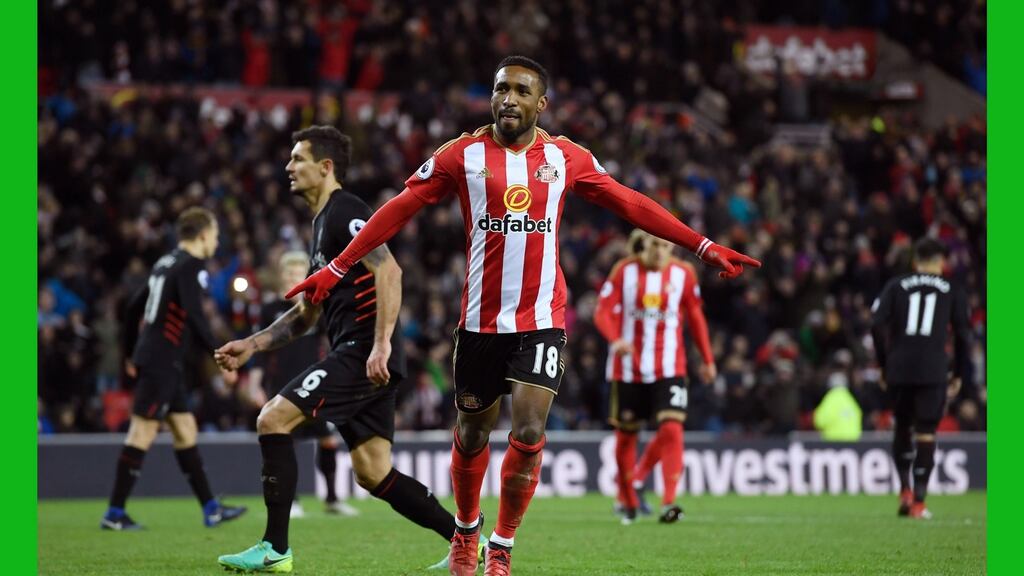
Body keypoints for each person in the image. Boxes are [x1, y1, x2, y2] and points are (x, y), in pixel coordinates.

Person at [286, 56, 760, 576]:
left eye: (520, 90)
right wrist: (338, 266)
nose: (508, 98)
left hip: (541, 320)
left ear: (541, 104)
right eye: (501, 88)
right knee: (472, 434)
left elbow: (630, 203)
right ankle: (466, 529)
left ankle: (502, 545)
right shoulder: (461, 155)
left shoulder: (566, 157)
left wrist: (701, 245)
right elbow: (401, 207)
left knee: (530, 432)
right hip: (479, 323)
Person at [215, 126, 476, 573]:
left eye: (298, 159)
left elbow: (389, 271)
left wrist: (380, 344)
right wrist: (251, 345)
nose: (288, 167)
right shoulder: (321, 227)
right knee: (373, 471)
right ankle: (468, 541)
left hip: (363, 352)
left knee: (272, 418)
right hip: (363, 353)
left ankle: (275, 548)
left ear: (325, 167)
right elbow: (305, 316)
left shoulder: (346, 210)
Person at [101, 207, 246, 530]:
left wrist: (129, 354)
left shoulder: (165, 263)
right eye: (215, 236)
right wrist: (221, 356)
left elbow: (133, 308)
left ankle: (211, 508)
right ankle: (114, 513)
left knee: (185, 430)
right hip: (162, 360)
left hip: (162, 360)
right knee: (142, 432)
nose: (216, 243)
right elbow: (195, 314)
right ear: (203, 235)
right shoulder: (191, 265)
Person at [594, 230, 716, 525]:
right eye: (655, 245)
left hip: (670, 367)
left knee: (672, 428)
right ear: (643, 245)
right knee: (626, 438)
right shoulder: (624, 271)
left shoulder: (684, 274)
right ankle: (629, 499)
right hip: (628, 368)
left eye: (665, 245)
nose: (660, 251)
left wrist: (708, 359)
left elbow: (696, 317)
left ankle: (668, 501)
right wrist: (615, 340)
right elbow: (602, 312)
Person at [248, 250, 358, 518]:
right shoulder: (270, 310)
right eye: (289, 273)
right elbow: (261, 350)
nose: (293, 278)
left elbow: (331, 341)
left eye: (298, 273)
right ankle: (292, 501)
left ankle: (332, 499)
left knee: (328, 440)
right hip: (283, 385)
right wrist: (255, 383)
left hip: (315, 383)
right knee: (287, 441)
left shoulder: (315, 307)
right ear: (281, 276)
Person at [871, 237, 971, 519]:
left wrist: (883, 364)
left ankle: (904, 489)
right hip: (933, 369)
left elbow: (876, 324)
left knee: (902, 426)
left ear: (916, 261)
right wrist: (958, 372)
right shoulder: (952, 289)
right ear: (941, 262)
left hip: (899, 368)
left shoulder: (896, 285)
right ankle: (919, 502)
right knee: (926, 431)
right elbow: (963, 334)